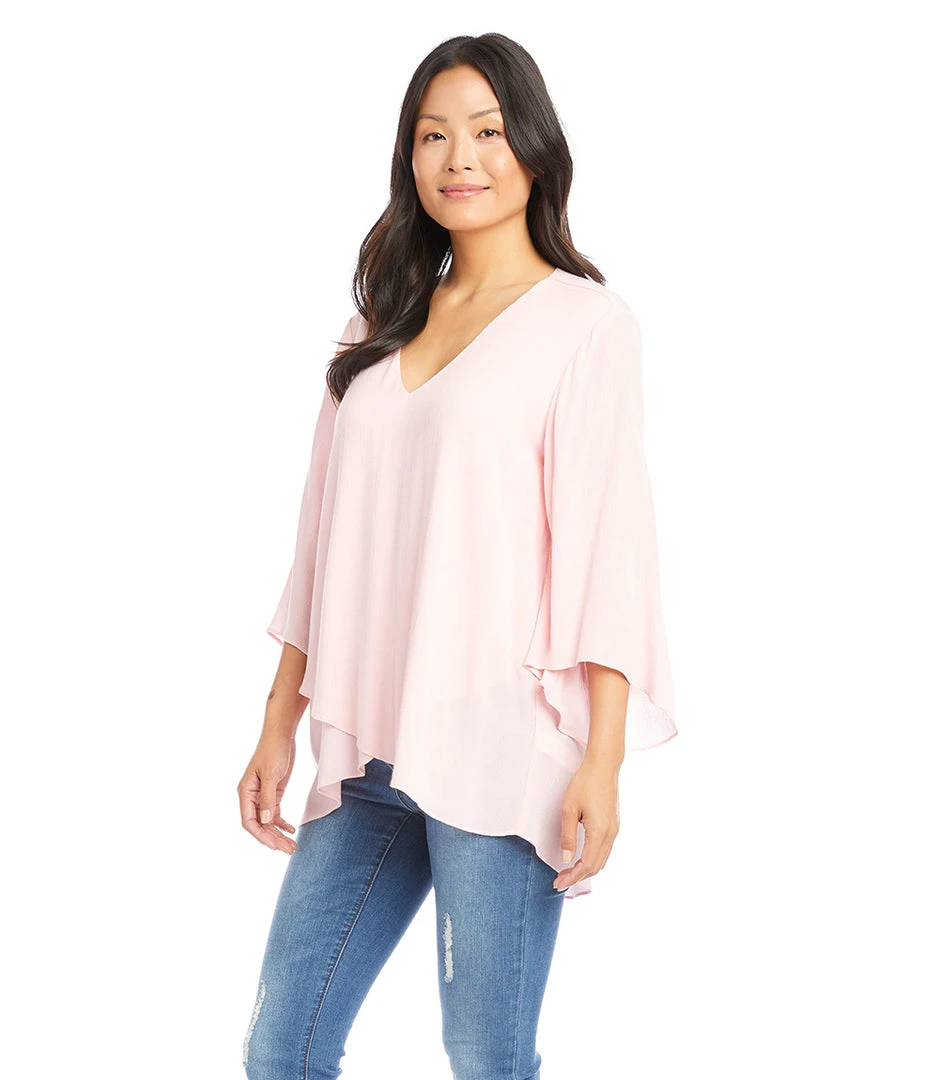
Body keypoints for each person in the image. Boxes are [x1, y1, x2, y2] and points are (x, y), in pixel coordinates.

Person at [237, 31, 678, 1080]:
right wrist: (277, 721)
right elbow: (321, 537)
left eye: (486, 131)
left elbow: (608, 551)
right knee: (282, 1048)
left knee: (485, 1056)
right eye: (434, 136)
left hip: (499, 743)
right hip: (369, 750)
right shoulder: (378, 323)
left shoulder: (586, 325)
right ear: (409, 156)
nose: (459, 158)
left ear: (533, 146)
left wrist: (603, 761)